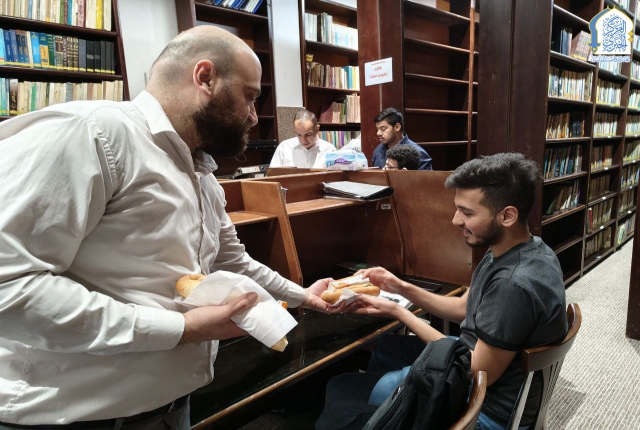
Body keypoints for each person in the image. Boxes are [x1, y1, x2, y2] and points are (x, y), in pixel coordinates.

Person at [0, 26, 346, 429]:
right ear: (205, 78)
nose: (254, 116)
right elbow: (9, 286)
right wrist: (181, 329)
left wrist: (304, 296)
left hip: (170, 409)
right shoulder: (91, 133)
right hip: (76, 417)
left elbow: (232, 261)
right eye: (250, 96)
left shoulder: (200, 171)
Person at [317, 153, 568, 430]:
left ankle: (390, 411)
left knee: (340, 390)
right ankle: (389, 412)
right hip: (477, 367)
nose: (455, 220)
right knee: (389, 349)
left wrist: (399, 311)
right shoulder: (520, 248)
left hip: (485, 409)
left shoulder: (512, 283)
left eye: (467, 213)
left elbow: (478, 369)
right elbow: (462, 308)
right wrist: (399, 286)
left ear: (507, 216)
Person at [269, 109, 336, 168]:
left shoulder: (329, 150)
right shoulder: (284, 148)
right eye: (299, 135)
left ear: (317, 129)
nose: (303, 140)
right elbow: (272, 175)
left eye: (308, 134)